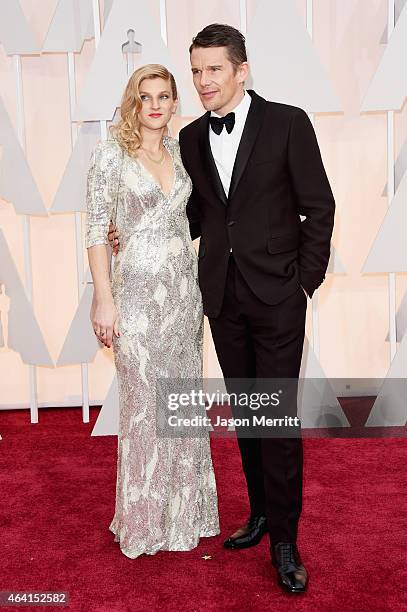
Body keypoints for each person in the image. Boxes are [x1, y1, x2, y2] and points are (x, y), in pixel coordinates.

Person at [110, 24, 335, 592]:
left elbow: (319, 206)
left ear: (242, 69)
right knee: (249, 414)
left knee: (277, 419)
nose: (204, 81)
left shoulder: (288, 123)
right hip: (222, 299)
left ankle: (285, 541)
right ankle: (260, 513)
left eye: (215, 69)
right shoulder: (187, 139)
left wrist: (304, 283)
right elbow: (194, 218)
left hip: (279, 296)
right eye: (197, 70)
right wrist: (132, 233)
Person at [85, 63, 220, 559]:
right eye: (146, 96)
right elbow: (97, 231)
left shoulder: (183, 154)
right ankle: (144, 520)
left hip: (183, 297)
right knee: (144, 406)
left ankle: (184, 514)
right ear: (133, 102)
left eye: (164, 95)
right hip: (136, 297)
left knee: (181, 403)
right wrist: (104, 298)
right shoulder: (110, 157)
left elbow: (198, 218)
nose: (156, 105)